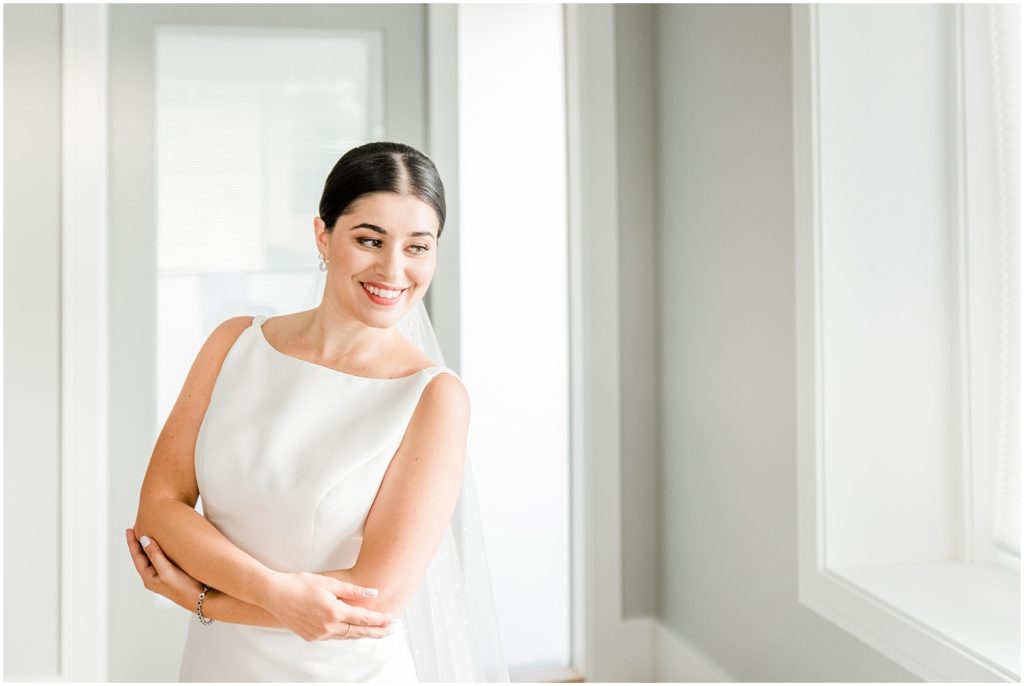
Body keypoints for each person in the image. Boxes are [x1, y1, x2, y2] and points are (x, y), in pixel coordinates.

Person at [127, 142, 508, 682]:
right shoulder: (234, 344)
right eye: (369, 240)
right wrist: (276, 592)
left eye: (418, 247)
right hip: (215, 667)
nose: (393, 269)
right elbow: (159, 508)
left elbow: (373, 603)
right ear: (322, 236)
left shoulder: (435, 398)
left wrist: (204, 600)